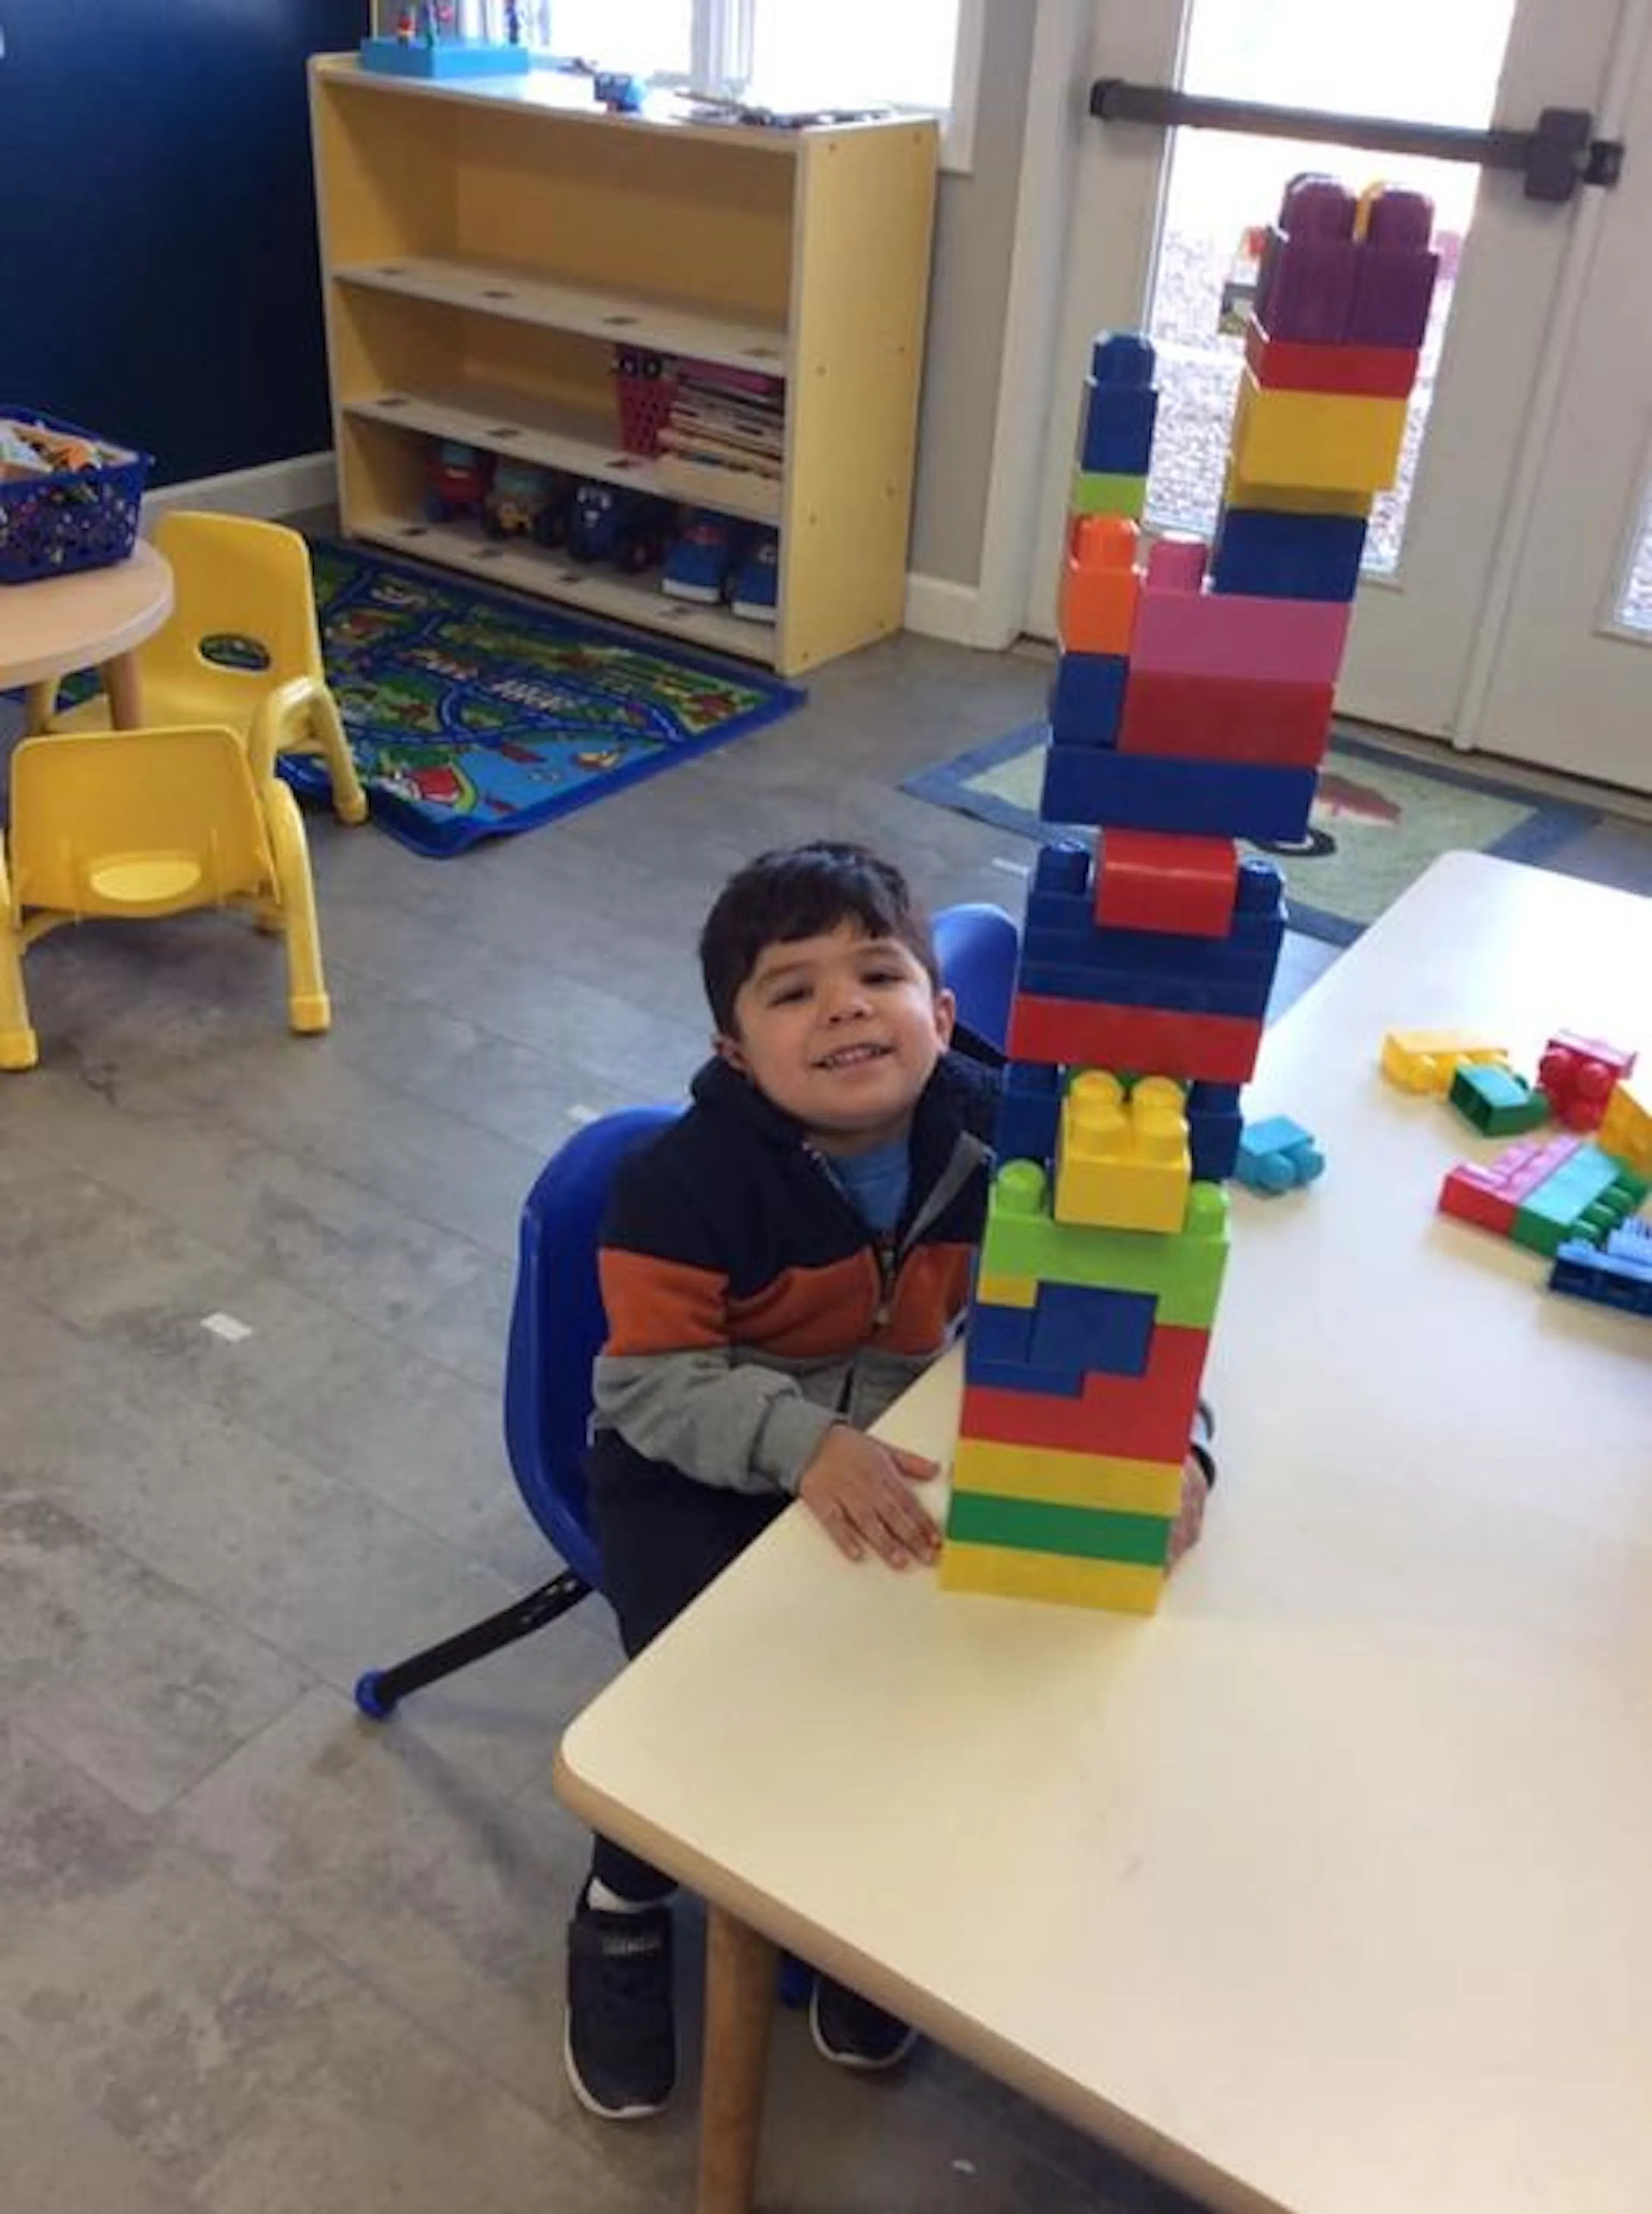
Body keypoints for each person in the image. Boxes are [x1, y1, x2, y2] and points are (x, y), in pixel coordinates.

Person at [563, 841, 1215, 2121]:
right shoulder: (677, 1185)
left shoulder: (1010, 1135)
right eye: (792, 990)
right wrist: (801, 1442)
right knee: (709, 1697)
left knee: (938, 1668)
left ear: (943, 1013)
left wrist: (1168, 1439)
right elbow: (649, 1385)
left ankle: (852, 1915)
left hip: (905, 1427)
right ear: (734, 1049)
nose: (845, 1007)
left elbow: (1128, 1293)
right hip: (698, 1463)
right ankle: (623, 1896)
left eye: (877, 974)